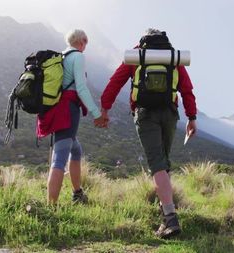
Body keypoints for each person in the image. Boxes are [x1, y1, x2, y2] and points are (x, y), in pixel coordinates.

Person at [100, 28, 197, 239]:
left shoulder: (138, 56)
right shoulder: (172, 58)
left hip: (145, 113)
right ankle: (166, 211)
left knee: (157, 164)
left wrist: (105, 108)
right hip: (170, 114)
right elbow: (186, 89)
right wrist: (192, 117)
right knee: (163, 162)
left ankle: (170, 218)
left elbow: (115, 82)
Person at [37, 29, 107, 204]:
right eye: (86, 42)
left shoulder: (61, 56)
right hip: (68, 109)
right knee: (60, 156)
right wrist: (97, 114)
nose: (86, 46)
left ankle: (77, 193)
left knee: (75, 149)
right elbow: (81, 89)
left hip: (55, 108)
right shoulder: (78, 57)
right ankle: (51, 206)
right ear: (81, 41)